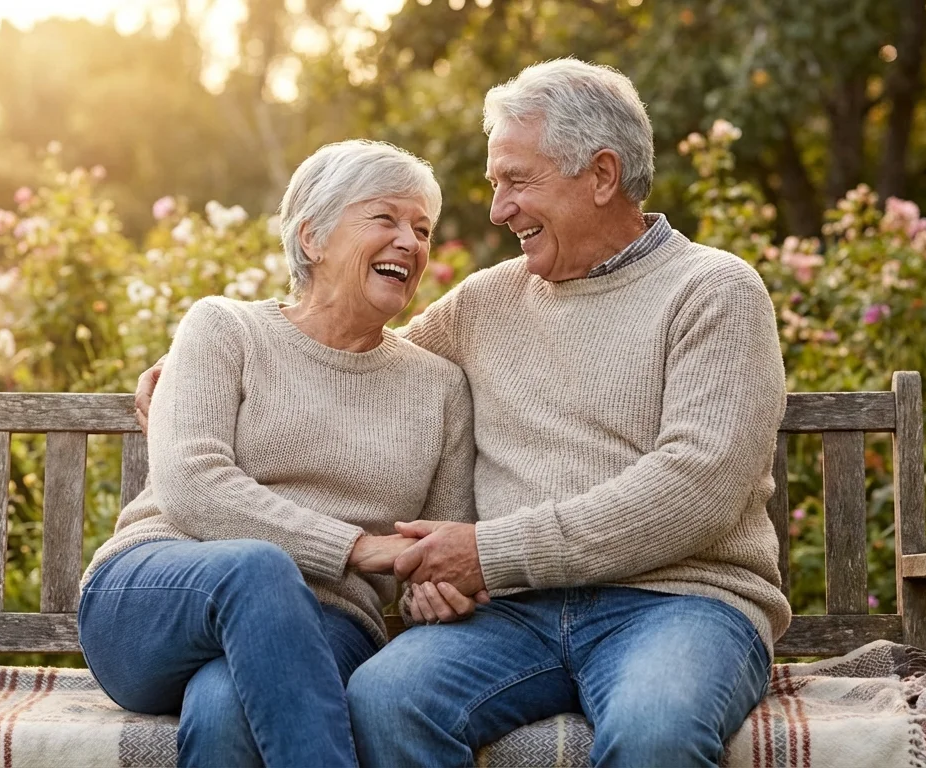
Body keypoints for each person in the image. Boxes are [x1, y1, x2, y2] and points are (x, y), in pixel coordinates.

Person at [136, 58, 791, 767]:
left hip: (679, 603)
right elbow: (351, 356)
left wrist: (488, 553)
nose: (497, 209)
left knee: (655, 730)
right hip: (512, 614)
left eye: (517, 181)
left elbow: (697, 485)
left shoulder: (714, 291)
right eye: (495, 185)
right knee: (384, 703)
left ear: (601, 175)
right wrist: (193, 374)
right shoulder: (487, 303)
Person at [78, 139, 479, 768]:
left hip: (328, 624)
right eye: (385, 218)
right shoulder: (223, 328)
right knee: (259, 571)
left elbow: (435, 551)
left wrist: (432, 592)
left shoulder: (439, 387)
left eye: (422, 229)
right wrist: (356, 548)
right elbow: (190, 483)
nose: (410, 241)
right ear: (312, 238)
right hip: (158, 595)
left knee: (223, 709)